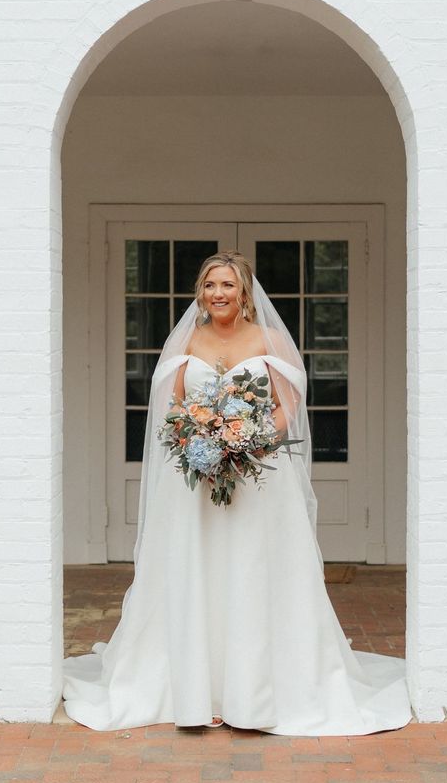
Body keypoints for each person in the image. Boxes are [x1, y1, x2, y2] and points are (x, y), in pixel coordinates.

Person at [62, 251, 411, 735]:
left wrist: (252, 440)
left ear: (244, 292)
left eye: (227, 285)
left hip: (259, 477)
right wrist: (197, 440)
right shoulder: (187, 339)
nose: (218, 294)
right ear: (200, 293)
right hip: (197, 481)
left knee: (252, 567)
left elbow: (289, 402)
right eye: (209, 285)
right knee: (198, 566)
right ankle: (194, 688)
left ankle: (254, 690)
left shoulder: (268, 339)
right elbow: (175, 404)